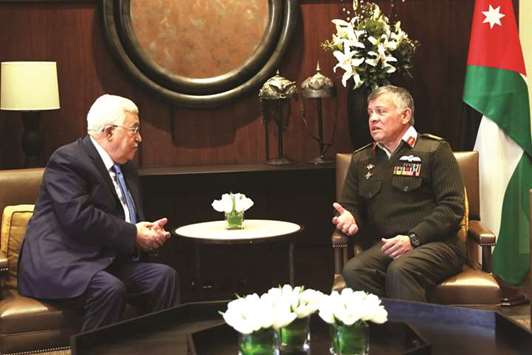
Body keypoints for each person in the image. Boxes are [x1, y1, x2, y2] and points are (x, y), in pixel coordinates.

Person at [18, 94, 178, 331]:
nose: (139, 138)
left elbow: (124, 221)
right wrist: (133, 233)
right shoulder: (68, 160)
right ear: (109, 132)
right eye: (134, 129)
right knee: (109, 289)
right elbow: (78, 218)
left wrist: (146, 234)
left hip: (104, 260)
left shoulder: (127, 168)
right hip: (64, 263)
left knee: (163, 277)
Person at [332, 85, 465, 302]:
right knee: (355, 270)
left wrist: (413, 238)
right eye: (370, 113)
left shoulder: (434, 150)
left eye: (381, 112)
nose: (373, 119)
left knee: (401, 269)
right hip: (388, 245)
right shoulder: (362, 159)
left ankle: (411, 336)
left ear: (405, 115)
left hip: (437, 244)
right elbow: (350, 206)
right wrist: (349, 218)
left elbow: (452, 207)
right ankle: (392, 333)